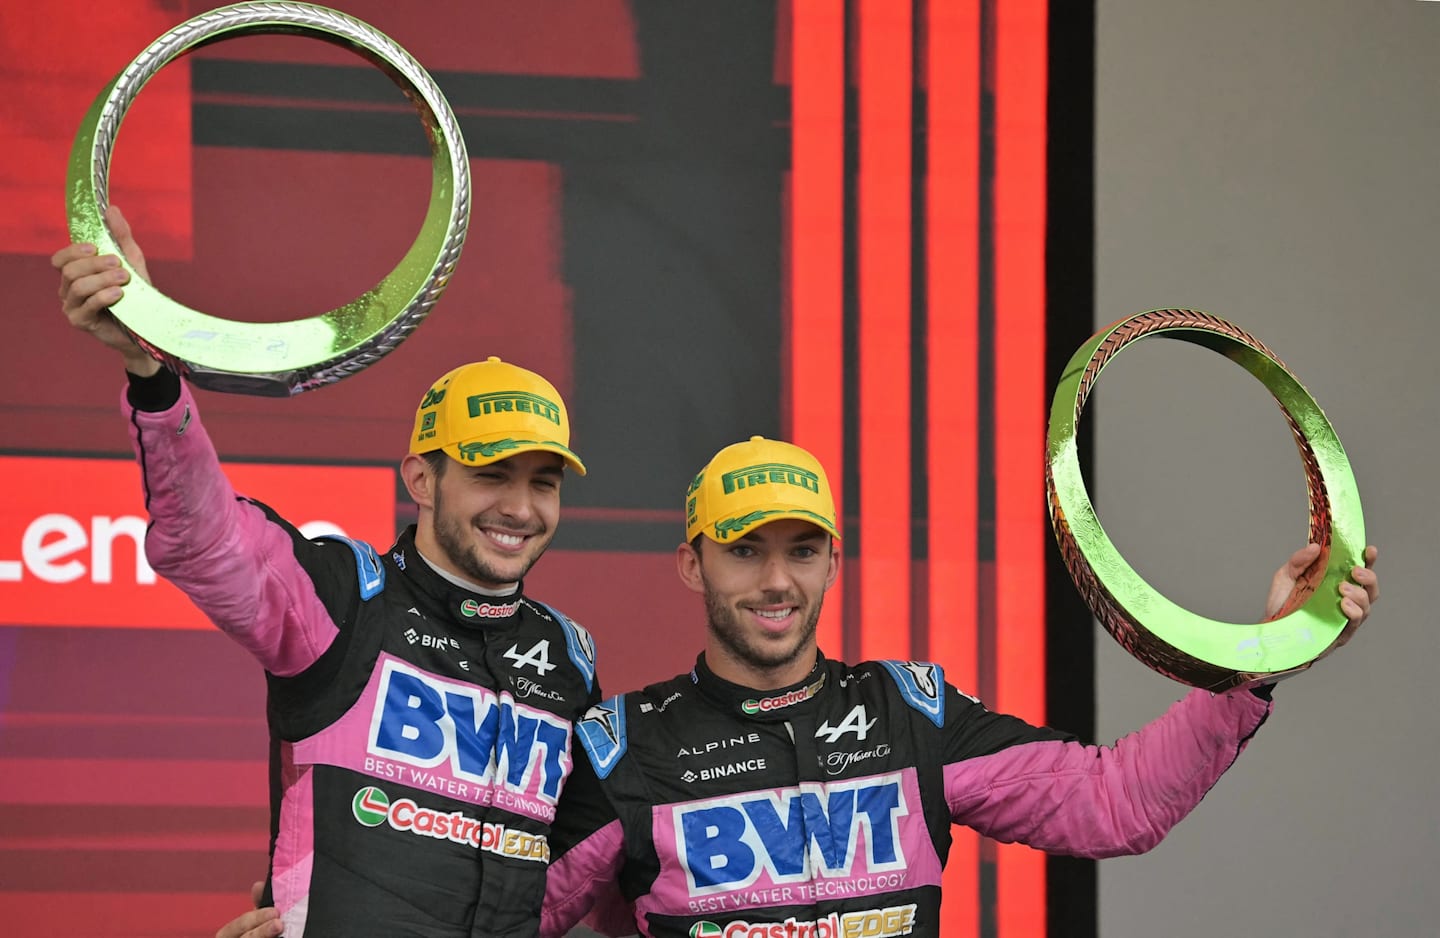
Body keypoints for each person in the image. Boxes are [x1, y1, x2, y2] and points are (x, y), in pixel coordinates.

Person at [536, 436, 1379, 938]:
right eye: (745, 550)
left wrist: (1258, 660)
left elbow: (1115, 804)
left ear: (833, 561)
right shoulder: (625, 744)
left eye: (801, 550)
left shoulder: (908, 712)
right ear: (693, 564)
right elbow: (505, 913)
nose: (776, 582)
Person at [54, 208, 602, 938]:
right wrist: (151, 372)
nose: (520, 507)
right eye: (491, 474)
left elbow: (580, 871)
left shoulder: (568, 656)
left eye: (544, 482)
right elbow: (208, 542)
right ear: (422, 478)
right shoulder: (345, 594)